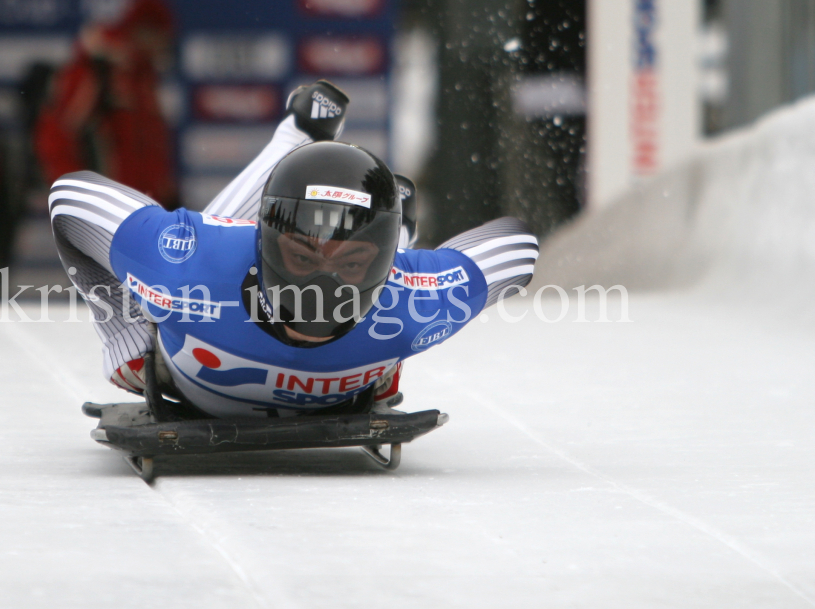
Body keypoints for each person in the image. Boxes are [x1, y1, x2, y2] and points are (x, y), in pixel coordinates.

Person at [50, 81, 538, 418]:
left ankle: (318, 153)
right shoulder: (187, 264)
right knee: (215, 241)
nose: (320, 290)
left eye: (350, 264)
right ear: (263, 246)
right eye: (302, 258)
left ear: (383, 266)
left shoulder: (408, 299)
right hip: (215, 279)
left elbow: (519, 246)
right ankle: (302, 144)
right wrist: (126, 332)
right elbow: (68, 199)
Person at [35, 0, 177, 208]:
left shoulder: (144, 78)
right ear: (144, 30)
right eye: (161, 36)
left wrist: (162, 194)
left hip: (140, 212)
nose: (163, 45)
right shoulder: (99, 70)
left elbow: (148, 149)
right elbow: (56, 134)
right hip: (105, 212)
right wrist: (77, 196)